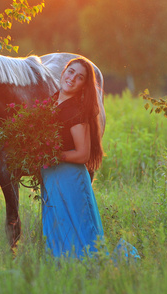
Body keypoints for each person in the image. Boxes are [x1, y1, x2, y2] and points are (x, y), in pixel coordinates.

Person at [41, 57, 140, 261]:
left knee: (83, 239)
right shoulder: (52, 100)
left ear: (83, 85)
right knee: (57, 229)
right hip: (51, 178)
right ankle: (64, 274)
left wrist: (53, 156)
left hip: (70, 180)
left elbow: (83, 154)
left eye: (79, 77)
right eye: (70, 72)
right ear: (63, 72)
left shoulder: (75, 111)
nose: (72, 78)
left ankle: (93, 273)